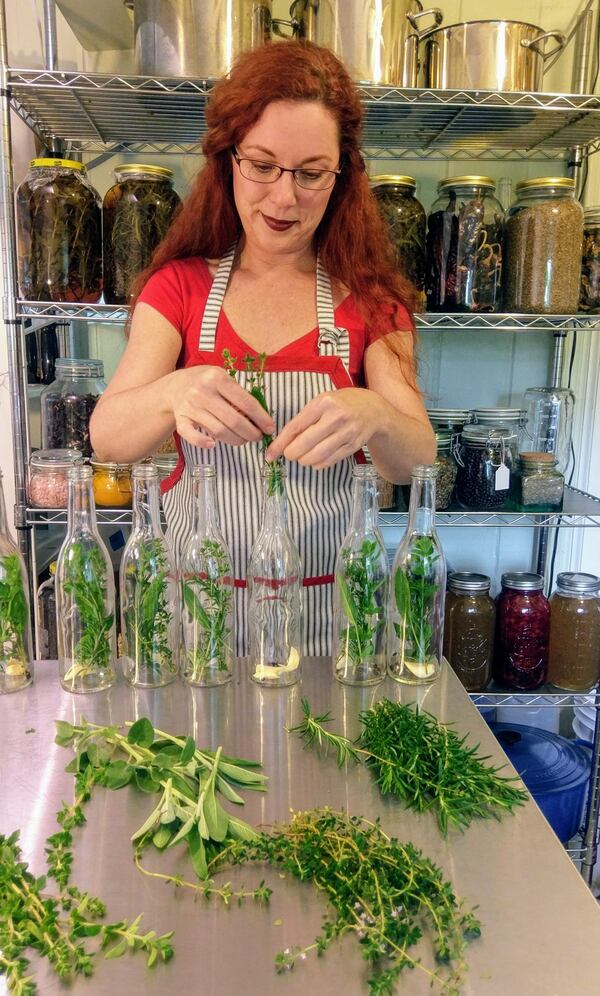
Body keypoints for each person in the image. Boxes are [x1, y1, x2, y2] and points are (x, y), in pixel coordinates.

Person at [90, 39, 435, 657]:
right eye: (262, 164)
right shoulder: (181, 288)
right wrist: (175, 391)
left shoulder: (371, 299)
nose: (283, 198)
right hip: (199, 615)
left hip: (329, 620)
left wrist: (377, 416)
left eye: (310, 173)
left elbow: (415, 462)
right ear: (229, 159)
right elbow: (108, 437)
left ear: (341, 176)